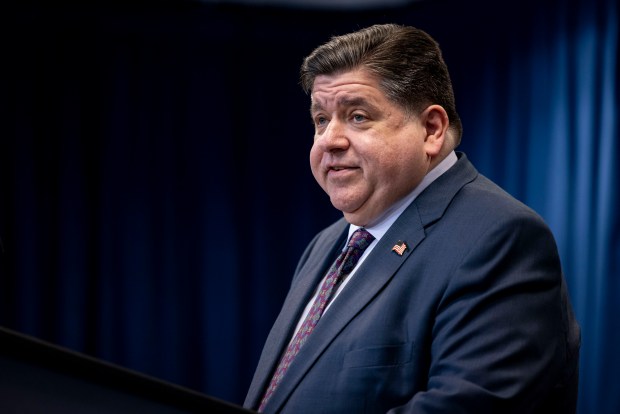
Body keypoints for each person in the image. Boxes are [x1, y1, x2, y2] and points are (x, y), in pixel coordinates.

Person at [244, 23, 580, 413]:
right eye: (321, 120)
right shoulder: (326, 245)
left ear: (431, 129)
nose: (328, 140)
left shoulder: (500, 238)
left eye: (357, 116)